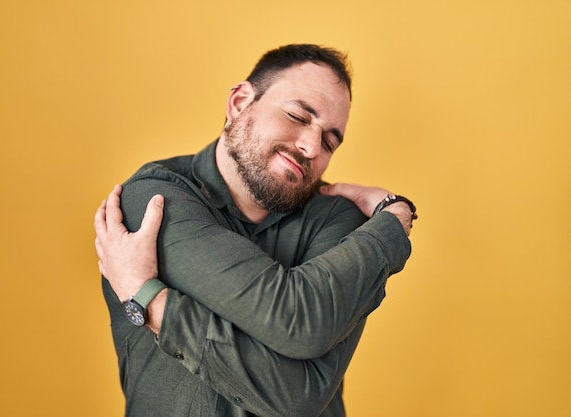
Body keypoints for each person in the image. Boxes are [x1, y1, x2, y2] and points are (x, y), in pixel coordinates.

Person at [94, 44, 417, 417]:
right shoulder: (152, 201)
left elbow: (302, 393)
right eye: (297, 115)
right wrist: (390, 227)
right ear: (239, 103)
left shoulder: (340, 221)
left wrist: (150, 302)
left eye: (329, 141)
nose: (311, 146)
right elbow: (297, 335)